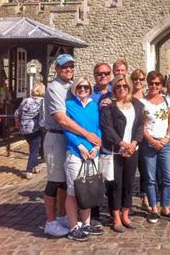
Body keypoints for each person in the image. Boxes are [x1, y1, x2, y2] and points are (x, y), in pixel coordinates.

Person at [43, 54, 101, 237]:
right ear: (57, 69)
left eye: (71, 66)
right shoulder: (54, 88)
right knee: (53, 182)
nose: (68, 70)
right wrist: (87, 135)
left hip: (70, 139)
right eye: (64, 67)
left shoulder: (72, 86)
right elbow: (62, 119)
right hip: (58, 136)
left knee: (63, 182)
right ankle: (50, 222)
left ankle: (62, 217)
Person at [101, 74, 145, 232]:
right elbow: (107, 129)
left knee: (128, 184)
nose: (122, 89)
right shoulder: (109, 107)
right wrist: (123, 144)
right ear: (114, 88)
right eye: (118, 86)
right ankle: (116, 217)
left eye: (125, 86)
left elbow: (140, 125)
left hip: (132, 150)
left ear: (129, 88)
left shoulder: (137, 104)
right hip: (115, 151)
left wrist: (133, 143)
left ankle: (126, 215)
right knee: (115, 185)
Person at [63, 77, 104, 241]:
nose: (83, 89)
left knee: (87, 190)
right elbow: (66, 128)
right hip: (75, 152)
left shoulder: (94, 105)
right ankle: (73, 227)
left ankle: (86, 223)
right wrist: (80, 146)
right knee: (74, 191)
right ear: (74, 88)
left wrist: (96, 147)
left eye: (86, 87)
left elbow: (98, 128)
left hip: (93, 153)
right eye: (79, 86)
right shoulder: (69, 106)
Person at [140, 71, 170, 224]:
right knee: (150, 178)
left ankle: (166, 207)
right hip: (149, 143)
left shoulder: (166, 100)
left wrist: (166, 138)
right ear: (148, 84)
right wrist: (151, 140)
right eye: (151, 83)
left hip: (164, 143)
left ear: (161, 84)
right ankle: (154, 208)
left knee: (168, 177)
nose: (154, 86)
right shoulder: (143, 103)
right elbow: (140, 125)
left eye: (157, 83)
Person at [89, 62, 112, 226]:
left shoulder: (117, 91)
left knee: (111, 178)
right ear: (94, 75)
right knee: (95, 178)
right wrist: (98, 107)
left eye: (106, 73)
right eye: (99, 73)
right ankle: (94, 213)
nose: (103, 76)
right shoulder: (89, 94)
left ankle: (113, 210)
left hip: (112, 143)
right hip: (96, 142)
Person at [14, 83, 45, 180]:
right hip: (35, 128)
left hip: (24, 128)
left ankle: (35, 166)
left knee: (33, 147)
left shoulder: (26, 100)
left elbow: (16, 113)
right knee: (34, 150)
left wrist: (17, 122)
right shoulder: (42, 102)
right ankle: (28, 170)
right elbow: (44, 116)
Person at [130, 68, 149, 210]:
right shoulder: (127, 96)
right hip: (130, 139)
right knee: (129, 172)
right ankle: (126, 200)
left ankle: (145, 198)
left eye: (141, 79)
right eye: (135, 79)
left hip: (145, 139)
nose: (138, 81)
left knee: (145, 170)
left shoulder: (148, 98)